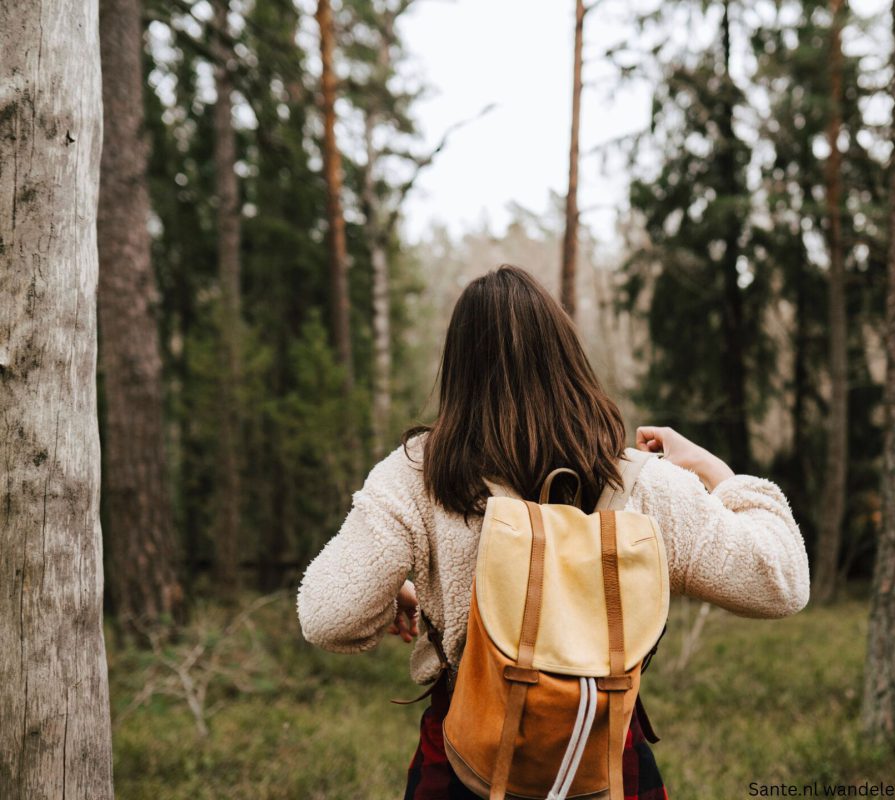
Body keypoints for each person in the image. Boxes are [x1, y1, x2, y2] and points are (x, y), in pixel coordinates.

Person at [297, 264, 811, 800]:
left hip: (467, 766)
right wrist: (717, 473)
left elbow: (327, 615)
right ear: (568, 358)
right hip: (605, 760)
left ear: (458, 369)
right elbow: (781, 583)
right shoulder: (641, 482)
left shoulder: (418, 472)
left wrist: (398, 595)